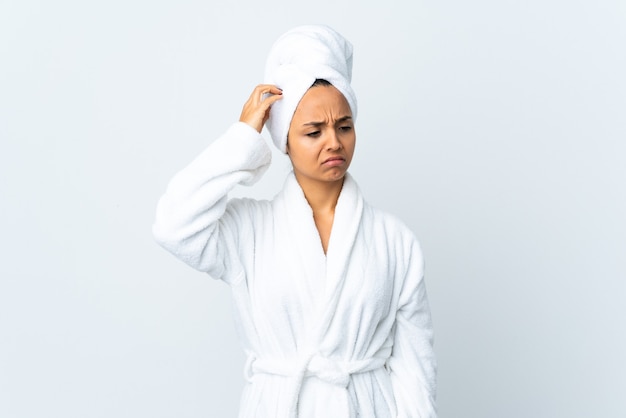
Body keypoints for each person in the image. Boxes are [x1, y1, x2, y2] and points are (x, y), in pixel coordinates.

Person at [153, 25, 437, 418]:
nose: (333, 142)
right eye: (313, 131)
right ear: (285, 140)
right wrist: (241, 139)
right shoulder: (248, 231)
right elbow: (173, 224)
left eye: (343, 126)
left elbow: (415, 372)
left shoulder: (395, 240)